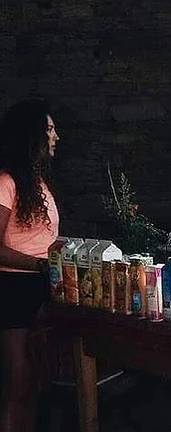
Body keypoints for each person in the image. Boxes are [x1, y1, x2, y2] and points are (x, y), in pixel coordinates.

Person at [0, 99, 61, 432]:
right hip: (13, 288)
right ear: (32, 135)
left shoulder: (39, 186)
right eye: (49, 129)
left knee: (36, 380)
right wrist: (39, 266)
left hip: (41, 285)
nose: (56, 136)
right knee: (18, 381)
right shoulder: (6, 183)